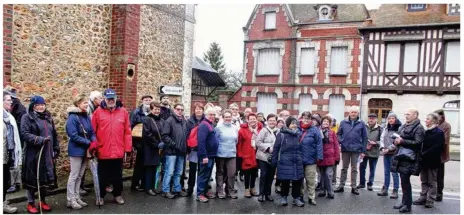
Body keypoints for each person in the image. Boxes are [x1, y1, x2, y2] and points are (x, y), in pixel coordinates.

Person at [91, 89, 132, 206]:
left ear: (116, 98)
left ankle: (117, 195)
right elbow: (92, 131)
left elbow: (127, 132)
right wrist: (93, 145)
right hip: (103, 150)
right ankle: (101, 196)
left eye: (112, 98)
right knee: (102, 176)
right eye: (108, 98)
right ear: (104, 98)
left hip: (118, 151)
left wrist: (127, 148)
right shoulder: (98, 112)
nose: (110, 100)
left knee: (117, 176)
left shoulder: (123, 112)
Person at [20, 95, 60, 213]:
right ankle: (31, 203)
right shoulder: (27, 118)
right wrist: (39, 139)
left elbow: (54, 133)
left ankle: (42, 201)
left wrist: (56, 147)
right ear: (33, 106)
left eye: (42, 105)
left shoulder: (48, 117)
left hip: (47, 153)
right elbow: (24, 133)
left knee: (45, 179)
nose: (41, 107)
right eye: (38, 105)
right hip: (33, 154)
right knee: (32, 179)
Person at [65, 94, 96, 209]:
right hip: (76, 150)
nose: (87, 104)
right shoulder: (73, 117)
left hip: (85, 149)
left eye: (87, 102)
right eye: (84, 103)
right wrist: (89, 142)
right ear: (78, 104)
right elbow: (73, 135)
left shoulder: (86, 116)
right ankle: (70, 199)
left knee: (80, 175)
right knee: (74, 175)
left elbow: (92, 131)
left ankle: (77, 197)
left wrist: (93, 140)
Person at [391, 108, 425, 213]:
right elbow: (398, 135)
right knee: (403, 180)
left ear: (415, 115)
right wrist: (396, 140)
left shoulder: (419, 127)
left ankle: (407, 205)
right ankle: (404, 202)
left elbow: (418, 142)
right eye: (406, 114)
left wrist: (402, 141)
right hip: (402, 155)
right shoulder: (405, 125)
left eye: (409, 114)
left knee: (405, 181)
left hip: (410, 157)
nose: (406, 116)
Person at [413, 113, 444, 208]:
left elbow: (437, 147)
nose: (425, 120)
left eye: (427, 119)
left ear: (433, 121)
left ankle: (430, 199)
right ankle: (423, 197)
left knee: (432, 182)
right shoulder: (427, 131)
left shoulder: (439, 132)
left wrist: (425, 153)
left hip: (432, 161)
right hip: (424, 160)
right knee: (424, 180)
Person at [271, 116, 305, 207]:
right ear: (288, 124)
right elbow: (276, 149)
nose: (294, 125)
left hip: (297, 161)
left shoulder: (299, 134)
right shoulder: (281, 134)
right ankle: (284, 197)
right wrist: (274, 161)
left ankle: (296, 198)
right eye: (292, 123)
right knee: (285, 181)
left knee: (297, 181)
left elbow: (302, 148)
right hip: (285, 161)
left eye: (296, 123)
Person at [334, 106, 368, 195]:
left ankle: (353, 187)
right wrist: (341, 141)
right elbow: (338, 134)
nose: (353, 114)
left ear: (358, 113)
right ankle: (341, 185)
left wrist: (363, 151)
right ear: (349, 113)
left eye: (355, 112)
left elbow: (365, 138)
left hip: (356, 150)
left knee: (354, 168)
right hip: (345, 149)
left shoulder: (361, 124)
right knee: (344, 168)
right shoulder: (343, 122)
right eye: (352, 112)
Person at [161, 103, 188, 199]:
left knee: (179, 172)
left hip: (181, 151)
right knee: (169, 172)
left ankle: (177, 189)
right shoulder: (169, 121)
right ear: (174, 110)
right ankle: (165, 190)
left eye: (181, 109)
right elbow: (164, 136)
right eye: (178, 109)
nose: (180, 111)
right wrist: (174, 145)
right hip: (171, 151)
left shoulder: (184, 121)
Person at [3, 87, 26, 194]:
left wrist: (18, 142)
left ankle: (15, 183)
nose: (10, 101)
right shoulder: (11, 109)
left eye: (9, 99)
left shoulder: (19, 108)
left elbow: (20, 127)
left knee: (14, 162)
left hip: (16, 140)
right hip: (8, 142)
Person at [196, 107, 219, 203]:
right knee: (203, 175)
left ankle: (204, 191)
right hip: (206, 156)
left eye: (214, 115)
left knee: (208, 175)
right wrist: (204, 156)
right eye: (210, 114)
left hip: (211, 155)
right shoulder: (204, 125)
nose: (212, 116)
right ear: (206, 115)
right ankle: (199, 194)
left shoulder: (210, 124)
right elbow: (201, 142)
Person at [300, 111, 323, 205]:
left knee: (311, 180)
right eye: (304, 118)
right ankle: (300, 196)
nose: (306, 120)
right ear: (301, 119)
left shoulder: (315, 130)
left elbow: (319, 144)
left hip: (311, 159)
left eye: (308, 119)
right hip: (299, 159)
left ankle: (311, 197)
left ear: (310, 119)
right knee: (299, 180)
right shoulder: (298, 128)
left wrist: (319, 157)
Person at [3, 92, 21, 213]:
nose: (11, 102)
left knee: (5, 180)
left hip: (7, 154)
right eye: (8, 100)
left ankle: (3, 202)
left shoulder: (8, 116)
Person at [130, 95, 153, 192]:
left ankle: (143, 184)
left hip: (150, 143)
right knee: (139, 164)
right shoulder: (136, 112)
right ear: (142, 101)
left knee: (147, 164)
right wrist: (134, 143)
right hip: (140, 143)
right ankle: (134, 184)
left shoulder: (152, 112)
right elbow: (131, 127)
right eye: (146, 100)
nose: (147, 101)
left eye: (149, 100)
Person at [214, 109, 239, 199]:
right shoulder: (218, 128)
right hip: (220, 153)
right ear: (223, 118)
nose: (228, 118)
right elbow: (215, 141)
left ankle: (230, 191)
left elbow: (236, 140)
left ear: (231, 117)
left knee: (231, 173)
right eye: (226, 117)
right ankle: (220, 191)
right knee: (220, 172)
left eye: (229, 117)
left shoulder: (235, 127)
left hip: (232, 153)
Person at [237, 112, 262, 198]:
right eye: (250, 119)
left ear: (256, 120)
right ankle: (246, 189)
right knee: (247, 173)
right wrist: (240, 154)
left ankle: (252, 188)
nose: (252, 121)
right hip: (246, 154)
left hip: (256, 155)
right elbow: (239, 143)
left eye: (254, 119)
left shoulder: (260, 129)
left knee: (254, 173)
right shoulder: (242, 130)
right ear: (247, 120)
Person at [142, 101, 164, 196]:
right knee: (149, 169)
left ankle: (153, 187)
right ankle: (148, 188)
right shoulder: (147, 119)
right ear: (151, 109)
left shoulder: (161, 120)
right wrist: (157, 144)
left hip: (159, 148)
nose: (157, 111)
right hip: (149, 148)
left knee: (155, 168)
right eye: (155, 109)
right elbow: (147, 134)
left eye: (158, 109)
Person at [377, 112, 401, 199]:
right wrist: (382, 148)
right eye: (389, 118)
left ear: (395, 119)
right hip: (386, 153)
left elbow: (397, 142)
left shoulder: (399, 128)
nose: (391, 120)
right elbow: (382, 138)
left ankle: (395, 190)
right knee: (386, 172)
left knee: (394, 172)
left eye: (392, 118)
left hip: (394, 153)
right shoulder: (386, 128)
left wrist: (389, 149)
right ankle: (385, 189)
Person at [256, 113, 279, 202]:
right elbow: (258, 142)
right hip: (263, 157)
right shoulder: (263, 130)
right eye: (270, 120)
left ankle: (268, 193)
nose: (272, 122)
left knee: (271, 176)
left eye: (274, 120)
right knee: (263, 175)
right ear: (267, 121)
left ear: (276, 121)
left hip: (274, 157)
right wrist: (268, 148)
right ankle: (261, 194)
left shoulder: (279, 131)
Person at [317, 116, 340, 199]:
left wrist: (337, 158)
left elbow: (336, 146)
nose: (326, 123)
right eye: (324, 121)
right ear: (321, 122)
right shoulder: (318, 132)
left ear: (329, 124)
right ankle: (322, 191)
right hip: (321, 156)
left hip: (330, 157)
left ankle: (330, 192)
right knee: (322, 175)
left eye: (327, 122)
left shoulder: (332, 133)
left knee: (328, 174)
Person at [185, 103, 206, 196]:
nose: (198, 110)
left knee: (202, 171)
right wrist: (187, 148)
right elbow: (186, 134)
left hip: (203, 150)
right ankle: (190, 189)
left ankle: (201, 190)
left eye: (200, 109)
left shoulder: (206, 120)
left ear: (203, 110)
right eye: (197, 109)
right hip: (193, 150)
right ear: (194, 110)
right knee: (192, 171)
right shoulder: (189, 121)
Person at [358, 113, 382, 191]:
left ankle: (370, 184)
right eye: (370, 118)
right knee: (362, 167)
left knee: (372, 169)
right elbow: (359, 137)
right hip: (364, 151)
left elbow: (382, 140)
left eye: (373, 118)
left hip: (374, 151)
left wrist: (375, 143)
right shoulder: (363, 127)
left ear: (376, 119)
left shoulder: (380, 129)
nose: (371, 120)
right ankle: (362, 183)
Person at [434, 109, 451, 202]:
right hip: (433, 153)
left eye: (437, 116)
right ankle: (433, 192)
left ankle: (439, 194)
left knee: (439, 176)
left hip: (440, 154)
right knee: (432, 175)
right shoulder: (435, 124)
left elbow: (445, 141)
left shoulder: (446, 126)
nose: (435, 118)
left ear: (442, 116)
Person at [275, 110, 290, 193]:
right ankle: (277, 184)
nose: (286, 117)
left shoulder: (288, 126)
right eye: (284, 115)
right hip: (278, 151)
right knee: (279, 169)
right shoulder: (278, 127)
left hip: (287, 151)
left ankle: (284, 184)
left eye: (287, 115)